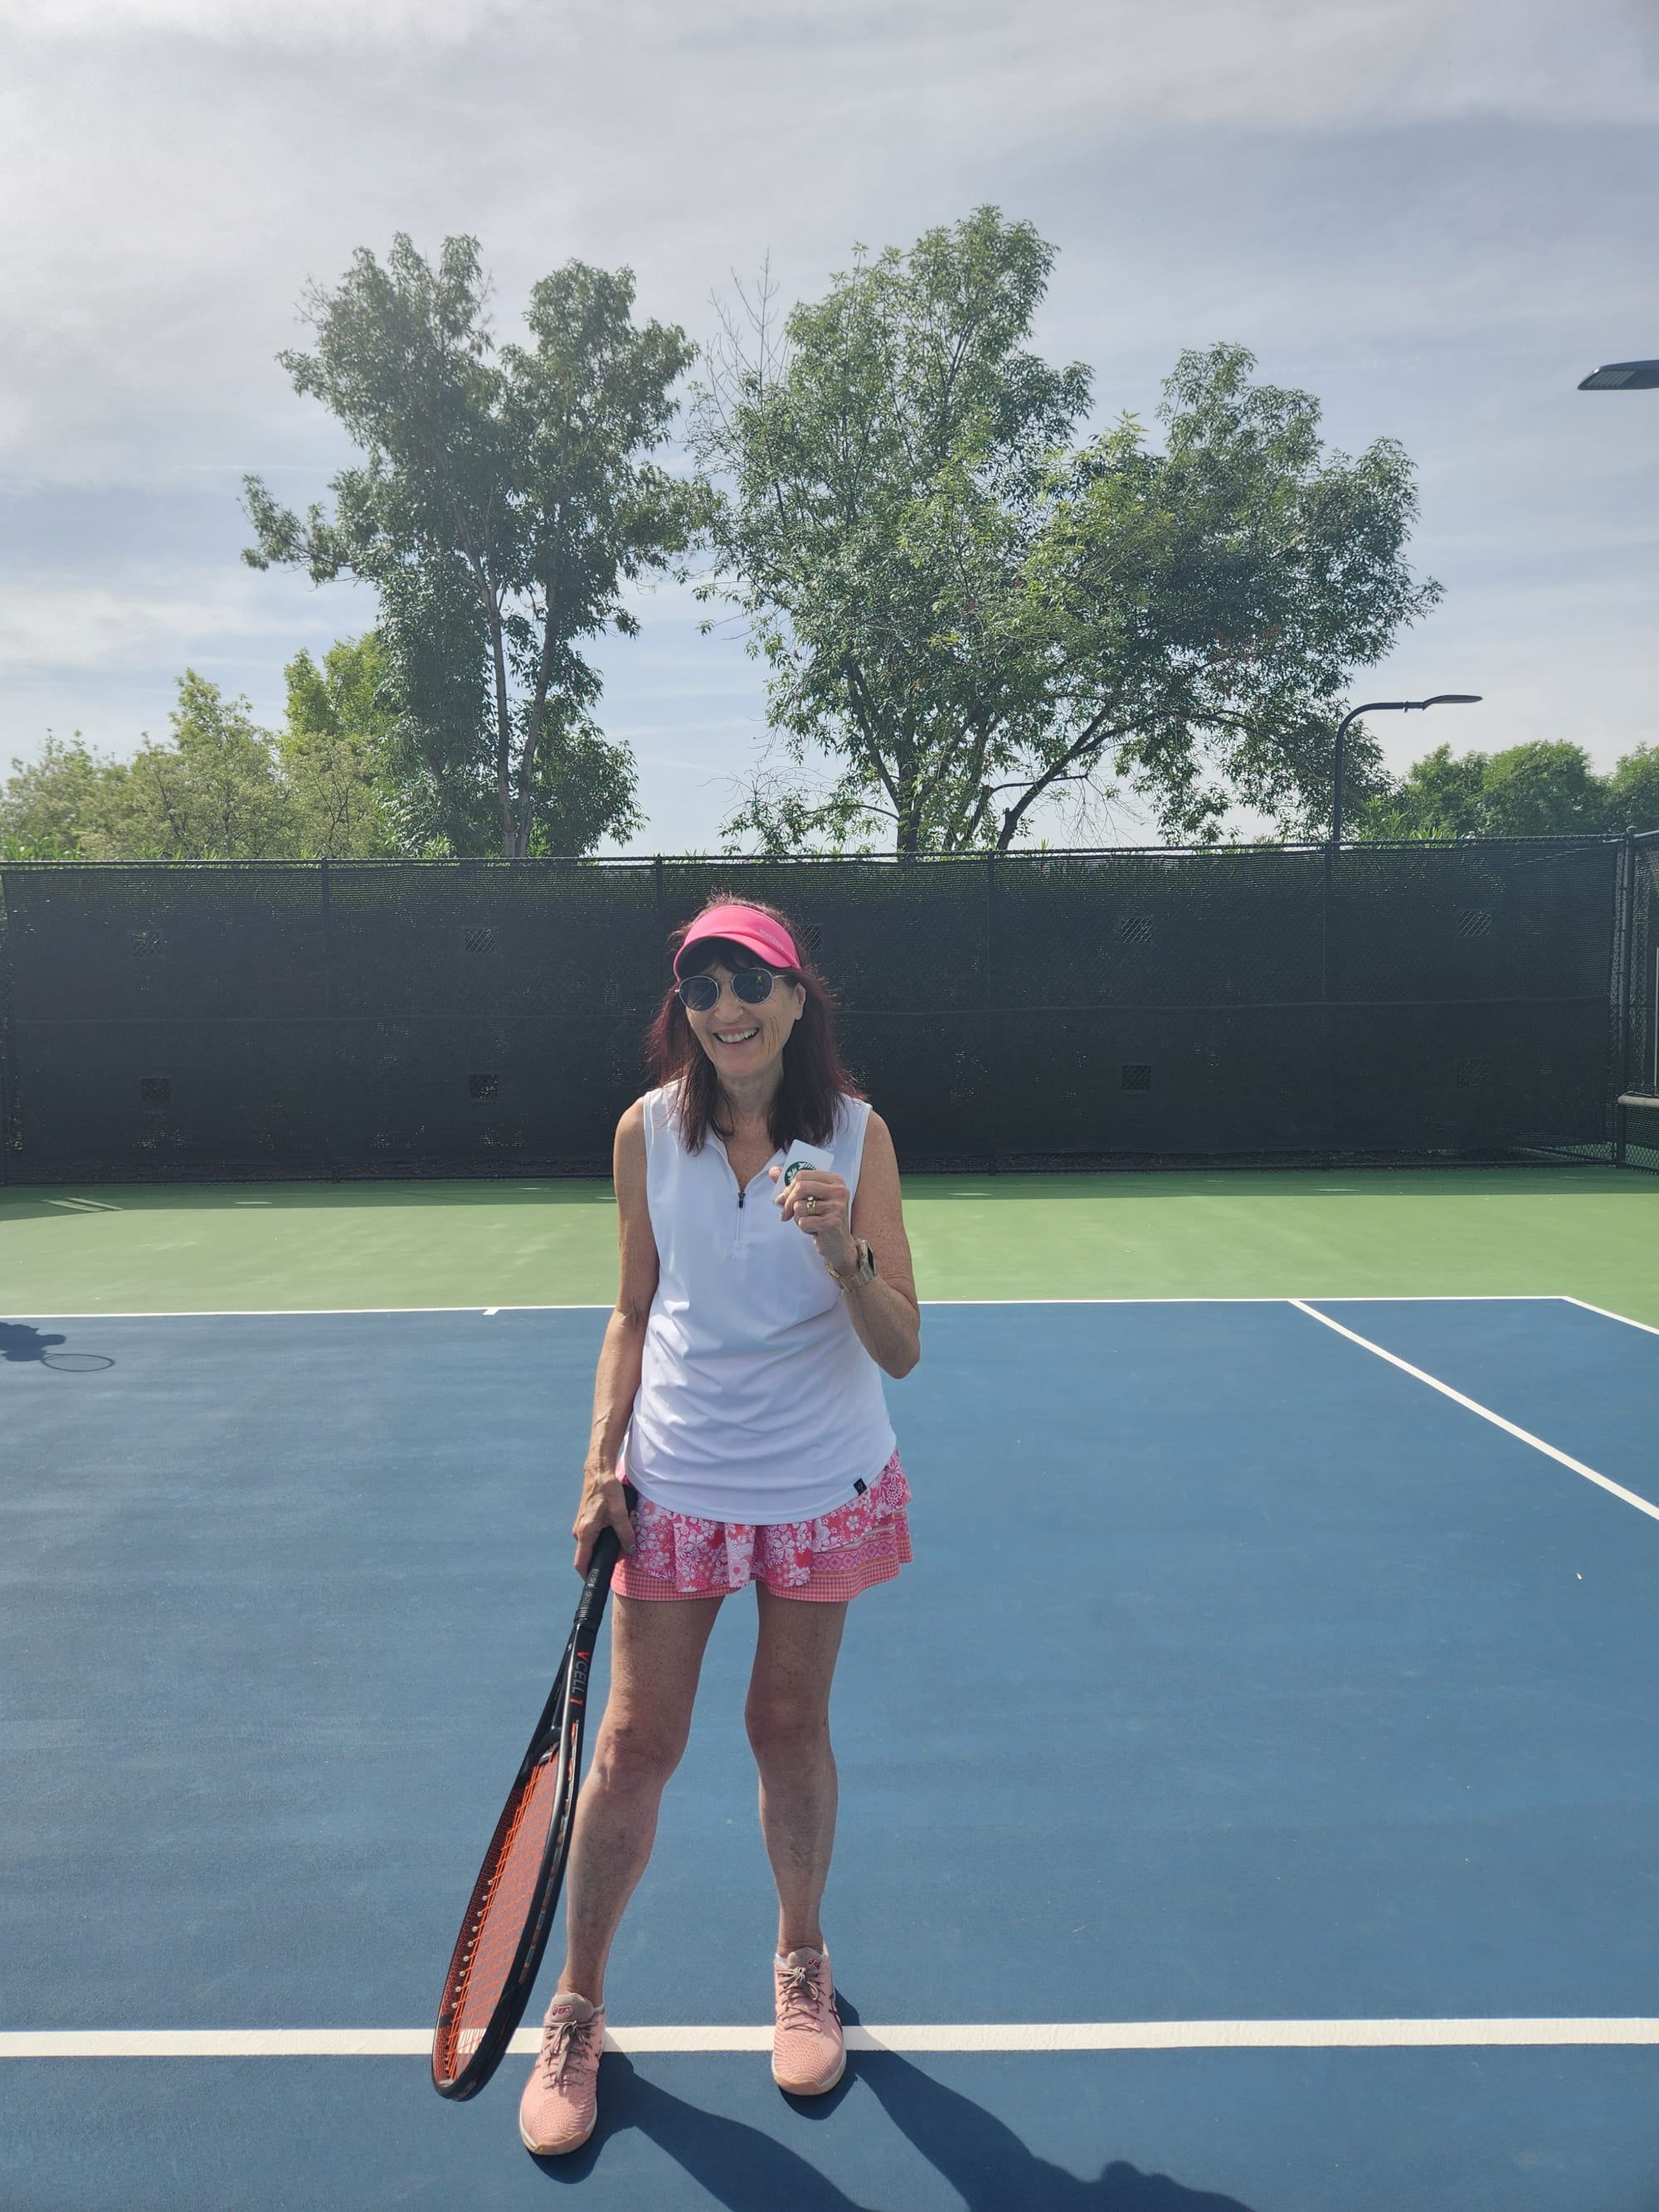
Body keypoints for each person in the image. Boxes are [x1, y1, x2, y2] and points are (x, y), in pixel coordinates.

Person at [519, 897, 922, 2158]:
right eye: (702, 987)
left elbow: (902, 1347)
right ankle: (577, 2006)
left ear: (797, 998)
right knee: (634, 1743)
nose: (727, 1007)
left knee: (788, 1726)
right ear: (682, 1011)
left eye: (751, 981)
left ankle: (802, 1963)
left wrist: (844, 1250)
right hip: (679, 1482)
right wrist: (601, 1464)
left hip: (819, 1486)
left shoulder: (858, 1136)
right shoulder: (647, 1130)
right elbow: (632, 1311)